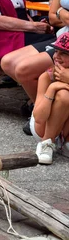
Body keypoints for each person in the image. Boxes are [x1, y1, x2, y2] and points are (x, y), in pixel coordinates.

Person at [3, 0, 69, 123]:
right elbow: (52, 16)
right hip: (63, 36)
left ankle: (42, 116)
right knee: (7, 62)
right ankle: (44, 112)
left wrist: (60, 12)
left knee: (23, 69)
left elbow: (57, 13)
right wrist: (62, 12)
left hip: (65, 41)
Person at [30, 32, 69, 164]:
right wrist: (52, 89)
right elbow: (39, 118)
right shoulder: (47, 76)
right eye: (56, 51)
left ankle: (66, 143)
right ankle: (47, 143)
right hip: (42, 128)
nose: (57, 57)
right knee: (64, 94)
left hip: (65, 127)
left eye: (64, 53)